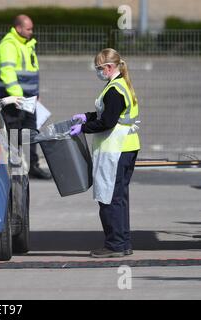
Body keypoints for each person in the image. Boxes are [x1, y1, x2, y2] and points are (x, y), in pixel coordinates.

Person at [70, 48, 140, 258]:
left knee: (109, 197)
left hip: (115, 150)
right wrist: (87, 116)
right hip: (126, 147)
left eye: (99, 68)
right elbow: (107, 113)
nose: (98, 72)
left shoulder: (113, 90)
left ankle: (115, 245)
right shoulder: (120, 85)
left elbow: (107, 122)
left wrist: (83, 128)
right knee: (119, 198)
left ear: (109, 68)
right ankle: (123, 243)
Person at [0, 14, 52, 179]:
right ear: (18, 28)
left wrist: (35, 94)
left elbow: (32, 72)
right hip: (12, 99)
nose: (31, 31)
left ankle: (32, 166)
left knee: (31, 131)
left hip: (27, 98)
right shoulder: (8, 45)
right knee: (12, 132)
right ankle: (12, 166)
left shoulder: (27, 44)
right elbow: (8, 73)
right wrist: (18, 97)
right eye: (28, 28)